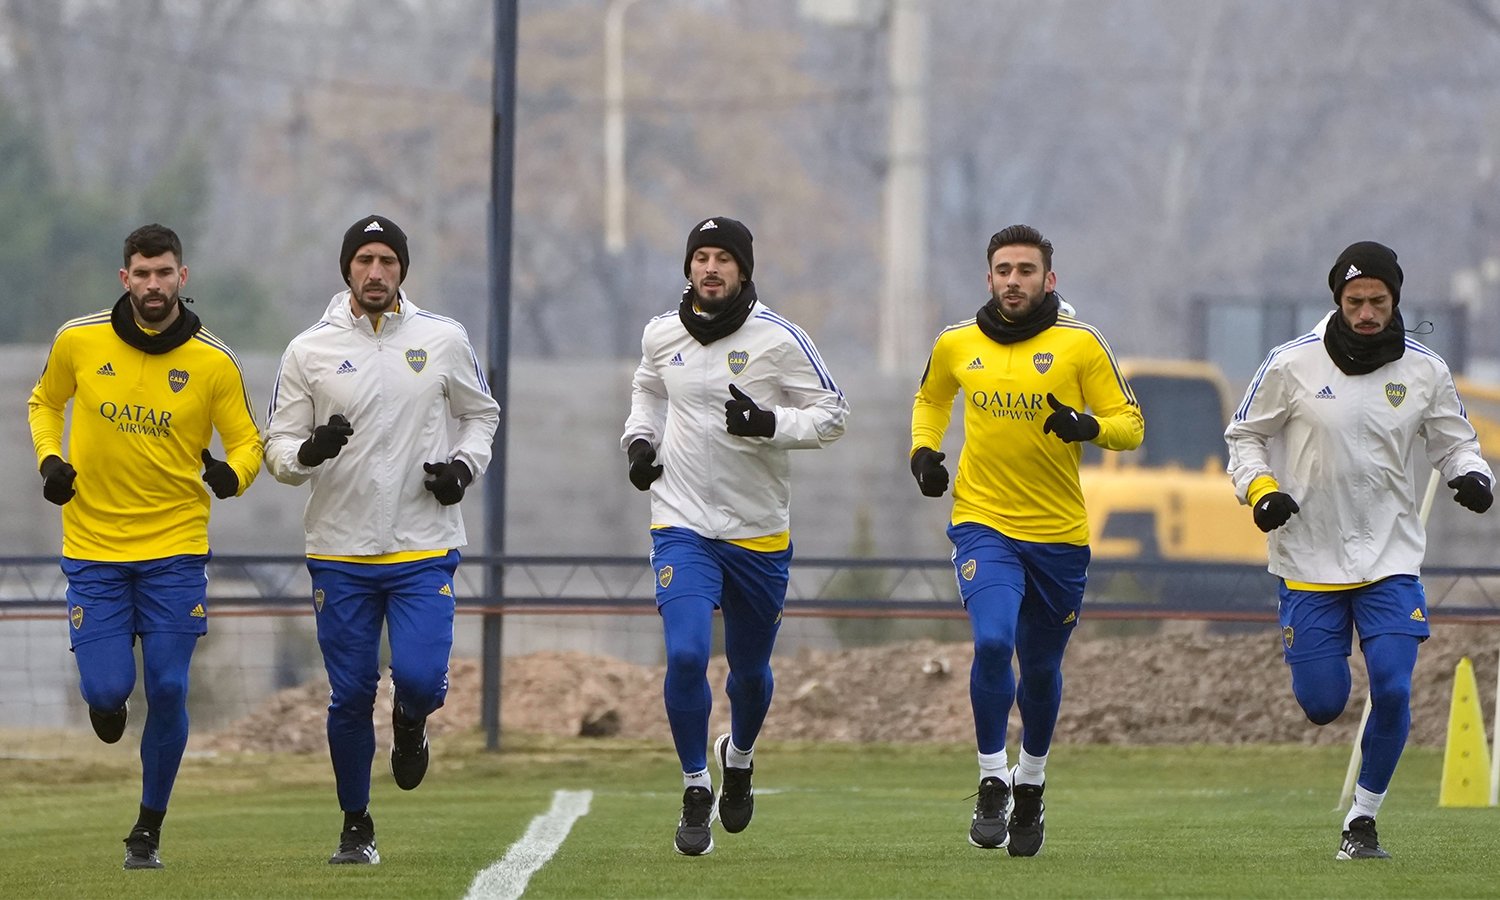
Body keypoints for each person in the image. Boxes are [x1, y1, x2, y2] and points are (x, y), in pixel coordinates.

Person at [1225, 240, 1492, 860]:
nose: (1366, 312)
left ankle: (1362, 821)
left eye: (1377, 300)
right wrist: (1261, 491)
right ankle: (1316, 662)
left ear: (1395, 299)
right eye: (1354, 301)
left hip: (1390, 558)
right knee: (1323, 705)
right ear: (1337, 302)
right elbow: (1245, 437)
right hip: (1308, 558)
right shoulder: (1291, 363)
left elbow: (1455, 443)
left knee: (1394, 689)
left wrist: (1470, 476)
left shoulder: (1424, 369)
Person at [263, 215, 499, 865]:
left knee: (420, 680)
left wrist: (461, 469)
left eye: (387, 261)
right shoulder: (307, 350)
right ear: (347, 269)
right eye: (364, 259)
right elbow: (278, 453)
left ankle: (412, 723)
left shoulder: (442, 338)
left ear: (402, 270)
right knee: (352, 693)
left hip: (423, 545)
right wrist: (312, 450)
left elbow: (482, 414)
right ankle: (355, 823)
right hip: (340, 551)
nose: (375, 272)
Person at [27, 223, 263, 870]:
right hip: (95, 547)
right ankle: (105, 705)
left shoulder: (213, 361)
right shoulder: (79, 340)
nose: (154, 285)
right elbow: (44, 403)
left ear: (182, 278)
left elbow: (249, 444)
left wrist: (231, 476)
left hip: (175, 549)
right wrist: (51, 462)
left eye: (165, 273)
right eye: (142, 273)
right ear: (124, 278)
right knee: (108, 693)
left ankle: (148, 827)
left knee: (166, 686)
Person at [909, 224, 1143, 855]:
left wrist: (1087, 425)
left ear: (1049, 280)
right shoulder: (957, 342)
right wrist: (925, 451)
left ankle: (1031, 783)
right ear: (989, 277)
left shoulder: (1080, 344)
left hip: (1059, 535)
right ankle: (992, 778)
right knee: (991, 643)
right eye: (1004, 270)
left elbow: (1131, 425)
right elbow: (931, 398)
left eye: (1026, 270)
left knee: (1039, 668)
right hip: (984, 523)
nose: (1014, 280)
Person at [621, 216, 848, 857]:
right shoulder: (662, 333)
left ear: (744, 269)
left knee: (749, 674)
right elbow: (647, 390)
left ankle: (739, 756)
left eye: (723, 257)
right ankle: (696, 785)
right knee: (688, 656)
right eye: (701, 257)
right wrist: (639, 441)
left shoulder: (780, 339)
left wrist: (768, 421)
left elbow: (834, 415)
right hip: (682, 525)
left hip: (757, 532)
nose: (711, 268)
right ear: (688, 268)